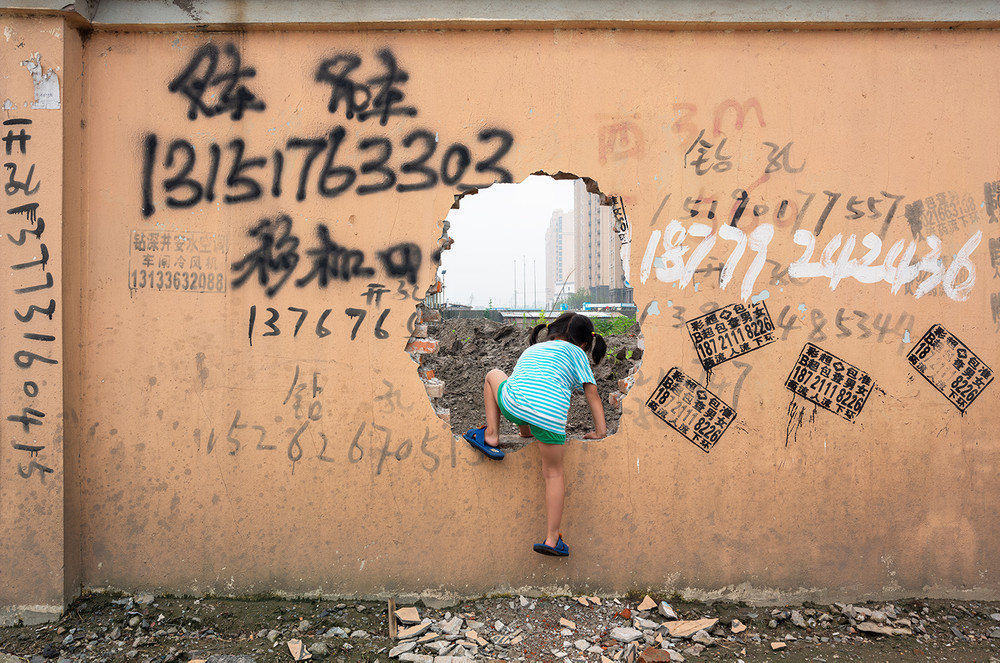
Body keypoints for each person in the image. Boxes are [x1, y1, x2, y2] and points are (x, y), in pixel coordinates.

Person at [463, 311, 607, 557]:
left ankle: (492, 435)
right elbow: (591, 394)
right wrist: (600, 431)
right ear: (585, 343)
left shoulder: (532, 350)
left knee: (493, 375)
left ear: (552, 331)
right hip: (550, 418)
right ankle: (552, 539)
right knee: (553, 474)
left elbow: (524, 385)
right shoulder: (577, 354)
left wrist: (524, 431)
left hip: (513, 405)